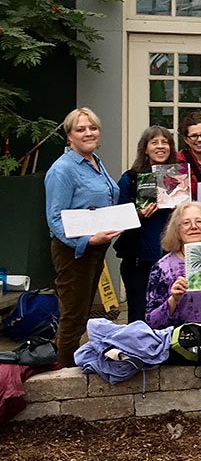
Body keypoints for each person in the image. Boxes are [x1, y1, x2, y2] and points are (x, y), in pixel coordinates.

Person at [44, 107, 121, 367]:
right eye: (80, 129)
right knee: (73, 317)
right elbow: (55, 220)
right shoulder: (63, 170)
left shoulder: (95, 162)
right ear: (69, 136)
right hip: (74, 251)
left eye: (93, 127)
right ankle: (62, 375)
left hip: (96, 249)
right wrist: (86, 241)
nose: (88, 133)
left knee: (83, 312)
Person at [115, 126, 179, 326]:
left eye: (165, 142)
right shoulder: (130, 179)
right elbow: (118, 217)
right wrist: (139, 215)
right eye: (154, 142)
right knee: (138, 315)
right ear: (145, 148)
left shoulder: (178, 178)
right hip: (138, 261)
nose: (160, 147)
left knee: (170, 313)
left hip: (172, 260)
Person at [144, 201, 201, 330]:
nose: (193, 226)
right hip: (176, 340)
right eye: (186, 223)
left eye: (199, 221)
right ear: (177, 229)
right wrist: (173, 300)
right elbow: (152, 321)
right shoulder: (163, 267)